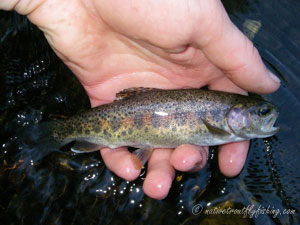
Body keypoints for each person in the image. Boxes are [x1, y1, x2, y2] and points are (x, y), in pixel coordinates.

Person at [1, 0, 280, 199]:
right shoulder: (222, 124)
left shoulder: (225, 119)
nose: (268, 114)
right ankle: (49, 135)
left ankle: (43, 138)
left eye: (263, 112)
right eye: (262, 112)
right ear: (237, 113)